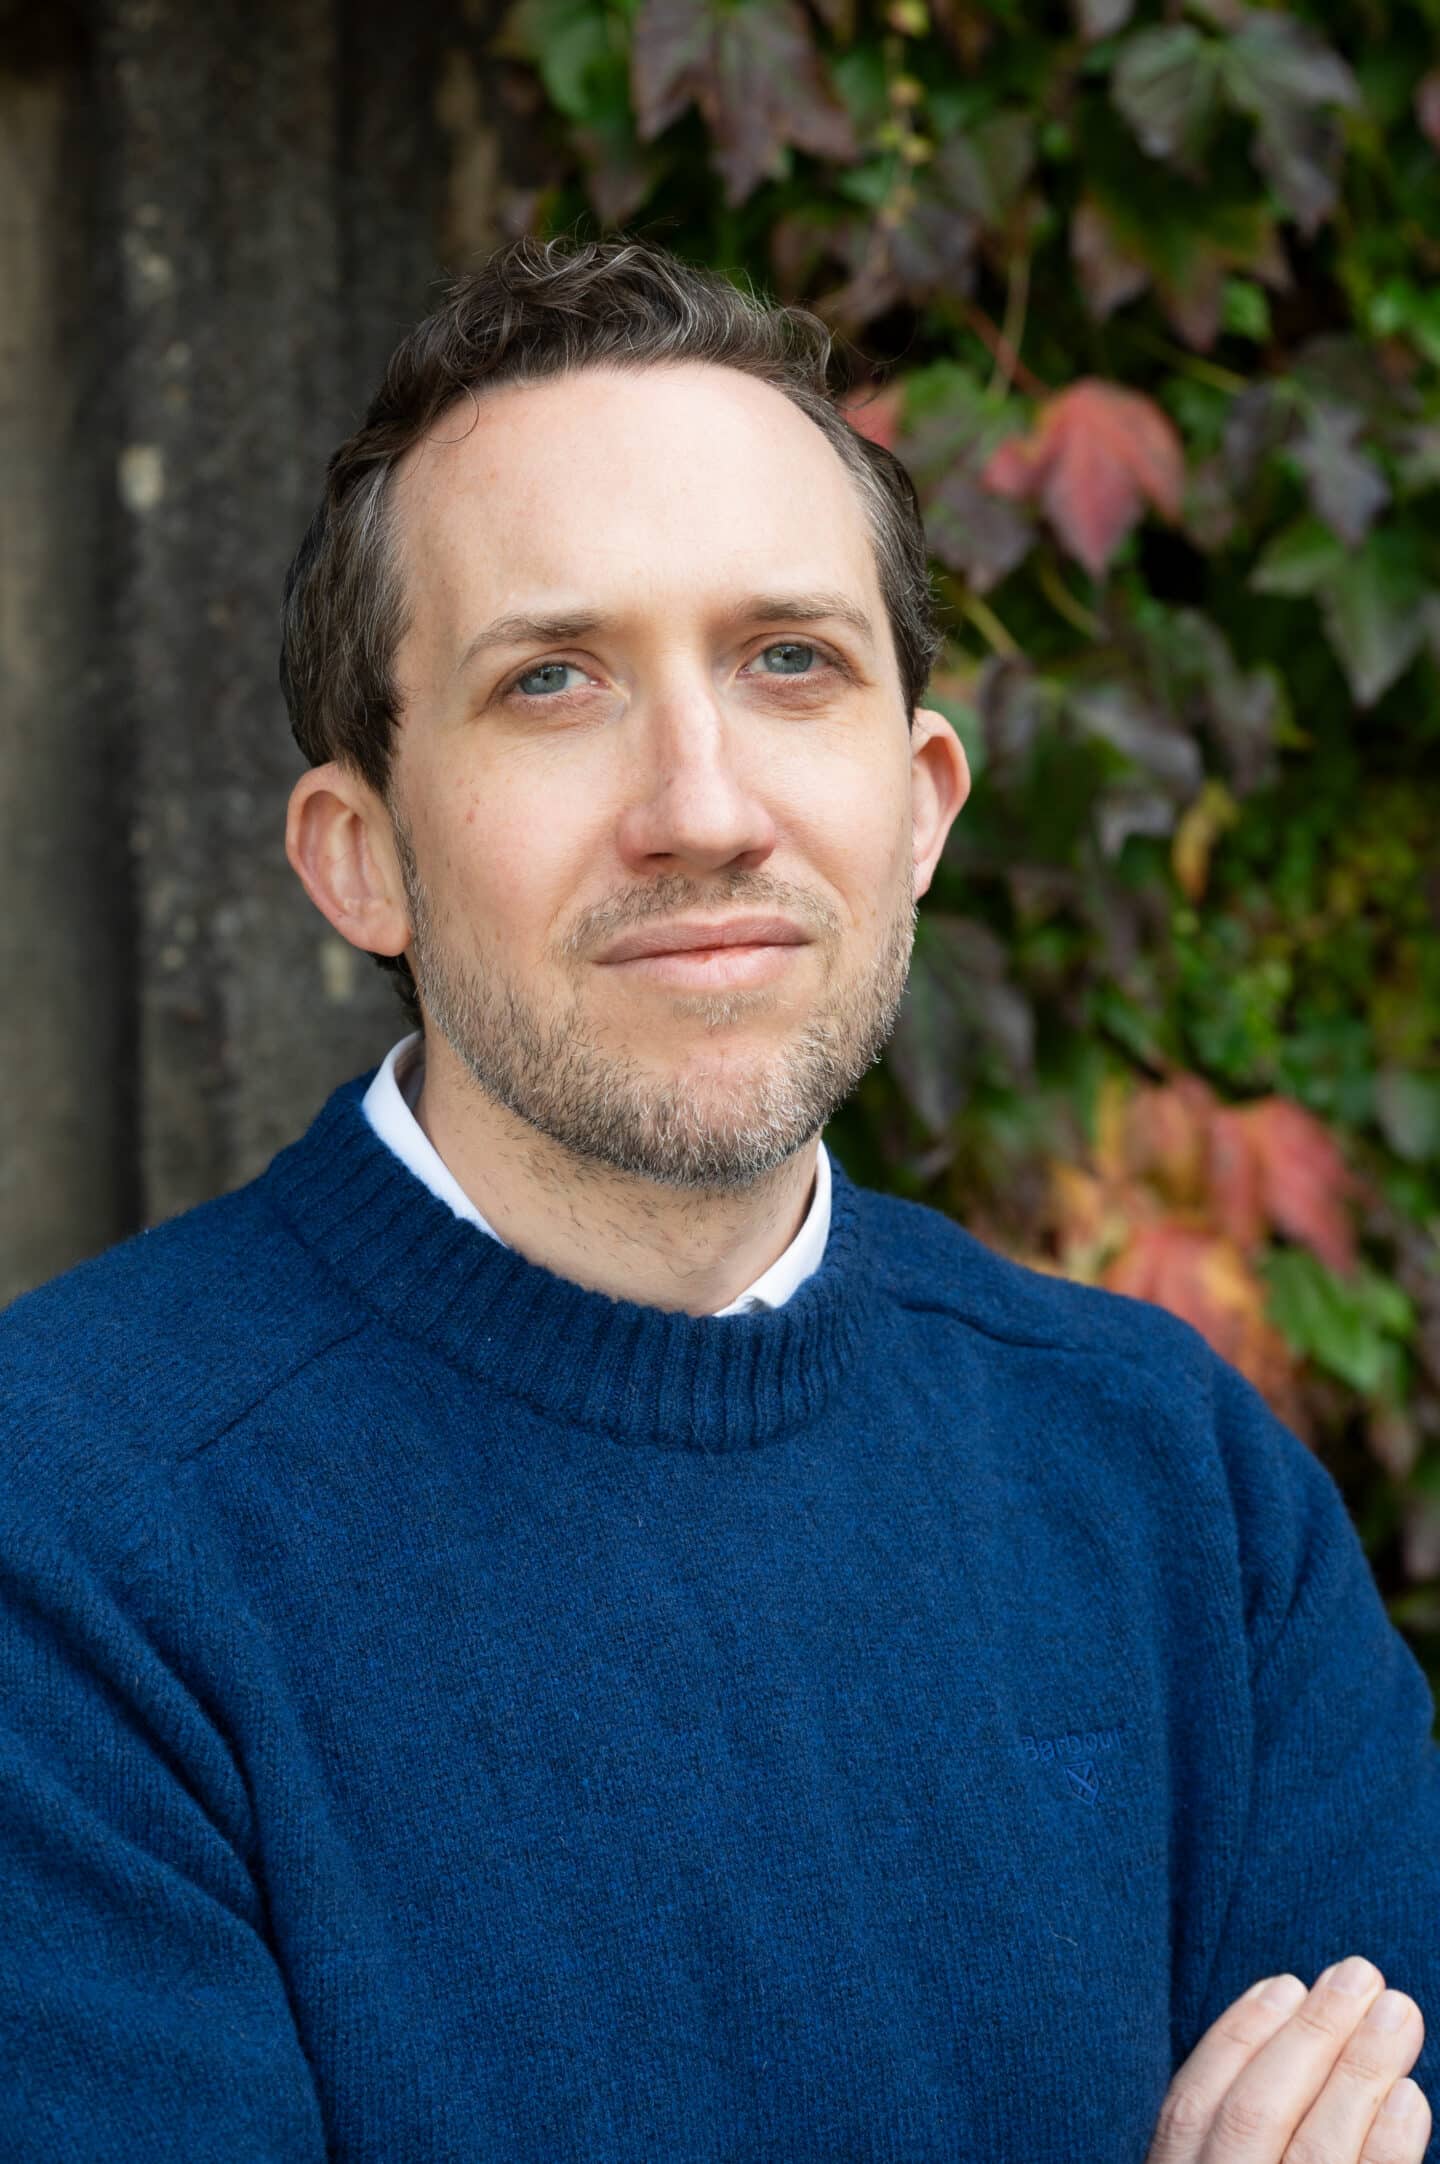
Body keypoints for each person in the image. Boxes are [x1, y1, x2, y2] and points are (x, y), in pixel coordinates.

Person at [0, 234, 1434, 2164]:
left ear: (919, 803)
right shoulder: (71, 1529)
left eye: (789, 663)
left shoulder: (1171, 1475)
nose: (703, 802)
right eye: (554, 679)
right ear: (363, 857)